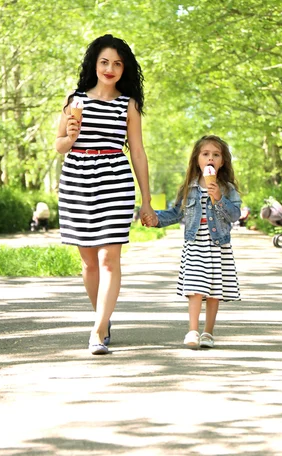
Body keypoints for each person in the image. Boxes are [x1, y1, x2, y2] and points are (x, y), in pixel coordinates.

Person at [56, 34, 157, 355]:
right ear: (94, 65)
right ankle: (103, 316)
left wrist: (147, 200)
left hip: (115, 179)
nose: (110, 68)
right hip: (77, 180)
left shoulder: (129, 105)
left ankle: (98, 330)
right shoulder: (74, 100)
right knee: (88, 262)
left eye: (117, 63)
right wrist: (70, 136)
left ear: (124, 69)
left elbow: (138, 153)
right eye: (104, 62)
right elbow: (59, 146)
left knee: (109, 259)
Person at [144, 135, 241, 349]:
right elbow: (176, 213)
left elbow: (235, 215)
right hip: (196, 244)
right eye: (205, 154)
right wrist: (156, 219)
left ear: (222, 161)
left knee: (215, 290)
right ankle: (193, 330)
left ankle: (208, 332)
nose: (210, 158)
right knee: (196, 288)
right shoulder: (189, 188)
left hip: (218, 245)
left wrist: (219, 198)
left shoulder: (227, 189)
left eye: (216, 155)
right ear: (197, 159)